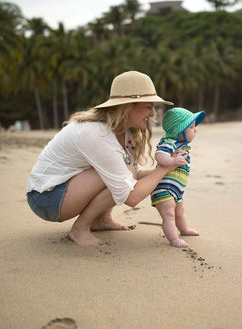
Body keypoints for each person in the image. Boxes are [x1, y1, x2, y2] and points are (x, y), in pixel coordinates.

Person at [26, 71, 187, 246]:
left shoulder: (124, 132)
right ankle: (80, 229)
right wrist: (163, 169)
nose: (152, 113)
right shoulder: (97, 134)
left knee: (126, 171)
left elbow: (136, 172)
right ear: (127, 106)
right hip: (46, 198)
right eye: (148, 106)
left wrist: (171, 165)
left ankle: (101, 220)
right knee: (124, 173)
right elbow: (131, 197)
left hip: (65, 190)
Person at [150, 107, 205, 247]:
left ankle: (184, 229)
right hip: (163, 189)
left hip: (176, 190)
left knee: (179, 211)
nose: (195, 130)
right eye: (191, 127)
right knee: (169, 214)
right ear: (178, 130)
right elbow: (159, 155)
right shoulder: (169, 142)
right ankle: (174, 239)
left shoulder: (182, 145)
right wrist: (173, 161)